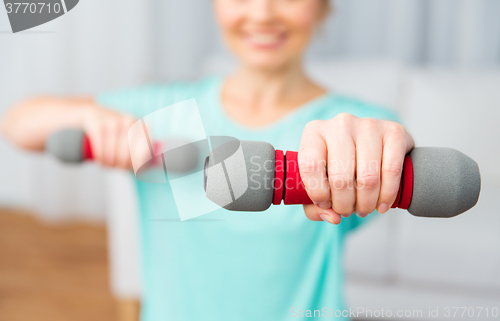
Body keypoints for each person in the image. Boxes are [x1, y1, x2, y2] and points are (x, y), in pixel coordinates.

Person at [1, 0, 414, 320]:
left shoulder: (350, 129)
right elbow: (18, 123)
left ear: (322, 7)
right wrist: (88, 117)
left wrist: (379, 153)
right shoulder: (161, 109)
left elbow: (383, 166)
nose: (262, 14)